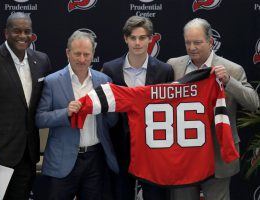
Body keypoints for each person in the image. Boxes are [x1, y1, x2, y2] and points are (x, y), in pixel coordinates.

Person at [167, 18, 260, 200]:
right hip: (183, 155)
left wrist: (229, 82)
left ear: (210, 42)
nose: (192, 47)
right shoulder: (173, 66)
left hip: (218, 153)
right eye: (188, 42)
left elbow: (254, 103)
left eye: (197, 42)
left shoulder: (232, 69)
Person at [0, 12, 51, 200]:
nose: (22, 36)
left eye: (27, 31)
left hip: (27, 156)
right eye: (17, 31)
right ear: (6, 33)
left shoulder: (41, 61)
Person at [35, 30, 119, 200]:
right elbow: (39, 119)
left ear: (93, 54)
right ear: (68, 53)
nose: (82, 59)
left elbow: (112, 121)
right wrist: (65, 112)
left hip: (96, 160)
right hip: (62, 161)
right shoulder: (52, 81)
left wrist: (106, 108)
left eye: (86, 54)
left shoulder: (104, 81)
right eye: (77, 54)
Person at [102, 15, 174, 200]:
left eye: (142, 38)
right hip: (119, 149)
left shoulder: (164, 71)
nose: (137, 43)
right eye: (133, 37)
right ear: (125, 38)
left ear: (151, 39)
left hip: (153, 150)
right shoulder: (110, 70)